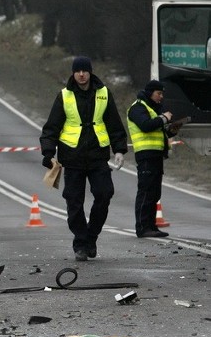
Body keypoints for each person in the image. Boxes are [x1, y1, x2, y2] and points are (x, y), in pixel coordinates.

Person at [40, 56, 128, 262]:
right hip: (72, 157)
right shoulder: (64, 96)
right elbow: (51, 127)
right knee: (73, 201)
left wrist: (119, 150)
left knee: (104, 194)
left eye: (84, 71)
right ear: (73, 73)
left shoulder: (104, 94)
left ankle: (91, 236)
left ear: (90, 72)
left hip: (98, 156)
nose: (81, 74)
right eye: (77, 71)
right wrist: (48, 154)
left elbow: (114, 123)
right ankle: (80, 243)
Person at [127, 80, 182, 238]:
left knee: (154, 192)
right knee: (146, 191)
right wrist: (164, 119)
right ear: (150, 92)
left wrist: (172, 130)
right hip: (145, 154)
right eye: (159, 93)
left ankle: (151, 226)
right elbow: (145, 125)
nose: (161, 97)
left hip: (156, 154)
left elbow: (159, 131)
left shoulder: (153, 108)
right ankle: (142, 227)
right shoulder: (137, 108)